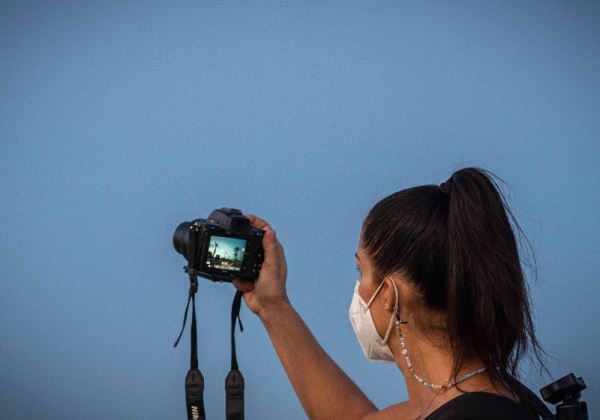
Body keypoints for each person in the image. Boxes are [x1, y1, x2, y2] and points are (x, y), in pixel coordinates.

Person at [233, 167, 545, 419]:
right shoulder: (468, 397)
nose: (358, 289)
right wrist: (272, 305)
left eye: (361, 271)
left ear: (388, 293)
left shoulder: (473, 412)